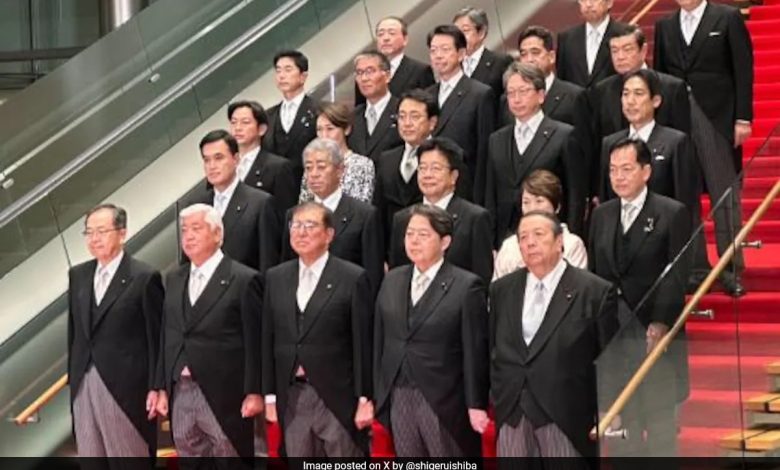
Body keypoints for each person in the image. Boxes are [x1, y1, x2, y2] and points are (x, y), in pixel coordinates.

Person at [588, 138, 692, 456]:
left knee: (660, 428)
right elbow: (595, 274)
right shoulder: (601, 215)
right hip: (613, 336)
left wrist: (660, 322)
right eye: (613, 170)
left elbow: (676, 276)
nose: (618, 177)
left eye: (627, 169)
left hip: (652, 334)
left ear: (646, 171)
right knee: (623, 433)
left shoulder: (671, 212)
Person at [490, 210, 618, 457]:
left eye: (538, 234)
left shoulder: (594, 291)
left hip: (566, 412)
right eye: (523, 237)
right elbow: (493, 348)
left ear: (560, 241)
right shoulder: (502, 289)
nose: (530, 242)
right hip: (512, 410)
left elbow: (610, 357)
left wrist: (609, 408)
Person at [654, 0, 753, 296]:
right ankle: (697, 268)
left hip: (717, 117)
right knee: (685, 196)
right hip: (677, 120)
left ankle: (731, 267)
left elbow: (743, 67)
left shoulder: (727, 17)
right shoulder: (664, 26)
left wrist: (743, 117)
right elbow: (659, 76)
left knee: (724, 194)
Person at [375, 204, 489, 457]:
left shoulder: (466, 285)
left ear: (445, 241)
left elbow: (475, 350)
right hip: (398, 391)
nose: (414, 241)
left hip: (445, 397)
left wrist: (475, 403)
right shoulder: (393, 279)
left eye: (423, 235)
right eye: (409, 234)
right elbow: (380, 339)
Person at [263, 202, 374, 457]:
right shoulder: (276, 277)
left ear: (329, 234)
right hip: (292, 395)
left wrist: (365, 398)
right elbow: (267, 340)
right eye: (295, 225)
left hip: (338, 396)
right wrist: (269, 394)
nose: (300, 232)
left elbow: (362, 343)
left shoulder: (352, 277)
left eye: (310, 225)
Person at [154, 204, 263, 459]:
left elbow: (255, 341)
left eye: (196, 228)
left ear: (217, 234)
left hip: (226, 391)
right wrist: (160, 385)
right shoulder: (174, 279)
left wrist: (255, 390)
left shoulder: (244, 278)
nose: (188, 236)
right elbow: (167, 334)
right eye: (184, 230)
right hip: (181, 389)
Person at [68, 204, 162, 462]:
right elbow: (74, 334)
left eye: (101, 231)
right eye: (89, 232)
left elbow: (157, 338)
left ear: (122, 233)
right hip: (83, 384)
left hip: (127, 386)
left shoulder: (143, 276)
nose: (94, 238)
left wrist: (157, 386)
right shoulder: (78, 275)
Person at [485, 62, 585, 247]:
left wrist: (570, 238)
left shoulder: (564, 135)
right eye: (511, 93)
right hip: (506, 238)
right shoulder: (496, 139)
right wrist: (491, 243)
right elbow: (491, 196)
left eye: (523, 91)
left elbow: (575, 195)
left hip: (549, 236)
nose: (516, 99)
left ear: (540, 95)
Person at [283, 138, 384, 294]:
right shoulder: (294, 214)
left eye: (321, 167)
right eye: (309, 168)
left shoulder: (364, 215)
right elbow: (287, 266)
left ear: (340, 170)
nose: (314, 174)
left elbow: (372, 277)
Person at [388, 137, 493, 284]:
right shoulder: (403, 218)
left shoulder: (474, 218)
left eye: (435, 168)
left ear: (453, 176)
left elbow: (481, 278)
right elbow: (397, 274)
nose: (427, 175)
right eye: (422, 168)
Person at [182, 129, 281, 274]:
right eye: (207, 160)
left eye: (218, 158)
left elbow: (269, 263)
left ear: (236, 159)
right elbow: (186, 261)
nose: (212, 166)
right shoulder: (196, 205)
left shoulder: (260, 203)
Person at [598, 69, 698, 212]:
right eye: (626, 94)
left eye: (638, 94)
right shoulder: (610, 143)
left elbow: (686, 200)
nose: (630, 101)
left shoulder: (675, 142)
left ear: (656, 100)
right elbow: (606, 199)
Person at [427, 24, 496, 203]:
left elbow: (484, 152)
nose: (438, 56)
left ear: (461, 53)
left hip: (465, 189)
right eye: (434, 51)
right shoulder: (427, 94)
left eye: (445, 49)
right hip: (431, 190)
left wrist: (481, 197)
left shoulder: (480, 93)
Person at [590, 24, 691, 143]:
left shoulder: (672, 88)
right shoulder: (601, 90)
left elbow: (683, 141)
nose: (620, 57)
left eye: (627, 49)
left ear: (643, 51)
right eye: (615, 51)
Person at [494, 170, 587, 280]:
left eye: (539, 201)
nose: (532, 209)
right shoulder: (510, 246)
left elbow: (578, 288)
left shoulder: (572, 244)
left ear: (557, 207)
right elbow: (498, 290)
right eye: (526, 202)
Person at [373, 89, 433, 246]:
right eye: (402, 116)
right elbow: (378, 212)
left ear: (432, 122)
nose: (407, 123)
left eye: (415, 117)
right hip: (393, 250)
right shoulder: (387, 159)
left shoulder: (447, 156)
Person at [228, 100, 298, 212]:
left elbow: (287, 212)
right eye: (233, 122)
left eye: (245, 122)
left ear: (261, 129)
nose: (238, 128)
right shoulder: (225, 165)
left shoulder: (278, 167)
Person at [262, 50, 320, 185]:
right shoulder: (268, 116)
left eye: (288, 70)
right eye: (278, 71)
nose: (282, 76)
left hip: (310, 184)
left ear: (303, 76)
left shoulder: (318, 111)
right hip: (276, 188)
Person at [299, 102, 376, 203]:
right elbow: (304, 203)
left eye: (330, 129)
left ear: (347, 129)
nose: (324, 135)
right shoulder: (312, 164)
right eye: (319, 130)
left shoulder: (362, 165)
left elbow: (362, 206)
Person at [355, 16, 435, 105]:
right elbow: (360, 107)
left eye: (391, 33)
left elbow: (429, 107)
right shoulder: (363, 72)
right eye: (381, 34)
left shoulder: (420, 70)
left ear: (405, 39)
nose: (385, 38)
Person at [348, 51, 403, 162]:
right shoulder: (352, 117)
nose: (364, 78)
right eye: (359, 73)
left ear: (387, 76)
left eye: (370, 71)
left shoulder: (401, 110)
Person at [556, 0, 626, 88]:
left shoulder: (624, 35)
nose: (588, 4)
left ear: (609, 3)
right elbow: (562, 80)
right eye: (583, 0)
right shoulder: (566, 38)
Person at [452, 6, 513, 100]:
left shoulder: (501, 62)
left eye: (465, 30)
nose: (459, 37)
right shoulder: (453, 65)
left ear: (481, 33)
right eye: (456, 32)